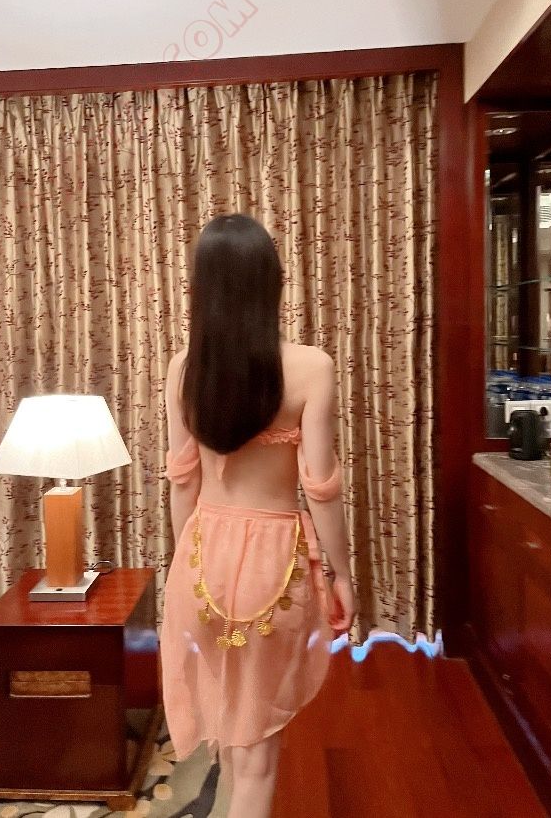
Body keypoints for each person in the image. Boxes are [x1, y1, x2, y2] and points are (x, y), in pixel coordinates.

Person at [160, 213, 355, 818]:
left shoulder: (182, 367)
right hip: (274, 565)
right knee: (258, 760)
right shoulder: (311, 367)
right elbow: (321, 488)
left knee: (232, 735)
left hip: (202, 559)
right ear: (272, 282)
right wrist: (342, 576)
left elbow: (182, 482)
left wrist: (183, 567)